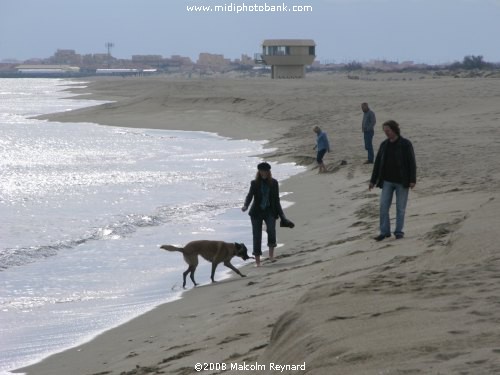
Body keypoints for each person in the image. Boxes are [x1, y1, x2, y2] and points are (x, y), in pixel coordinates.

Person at [369, 120, 416, 241]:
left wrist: (412, 180)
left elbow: (412, 162)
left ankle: (399, 232)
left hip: (402, 181)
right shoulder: (384, 145)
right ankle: (384, 232)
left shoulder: (405, 144)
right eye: (385, 131)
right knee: (383, 206)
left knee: (400, 208)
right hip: (387, 181)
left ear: (394, 129)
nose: (386, 133)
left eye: (388, 131)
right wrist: (373, 180)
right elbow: (378, 163)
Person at [242, 162, 286, 266]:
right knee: (257, 235)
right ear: (259, 172)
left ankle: (271, 256)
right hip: (256, 212)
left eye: (265, 171)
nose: (263, 173)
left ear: (268, 171)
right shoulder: (254, 183)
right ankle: (257, 262)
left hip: (270, 211)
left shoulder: (274, 183)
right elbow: (250, 196)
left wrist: (282, 215)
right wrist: (246, 205)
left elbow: (276, 200)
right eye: (261, 171)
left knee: (271, 231)